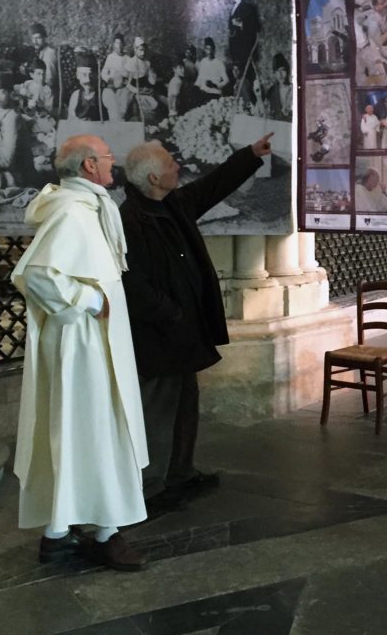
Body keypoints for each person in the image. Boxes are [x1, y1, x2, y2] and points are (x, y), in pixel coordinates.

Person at [11, 134, 149, 571]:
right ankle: (104, 531)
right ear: (90, 165)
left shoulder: (86, 205)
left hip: (91, 341)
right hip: (83, 343)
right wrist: (90, 302)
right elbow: (36, 275)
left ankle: (59, 534)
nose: (114, 163)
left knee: (83, 430)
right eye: (109, 157)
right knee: (92, 428)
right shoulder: (73, 210)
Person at [119, 132, 273, 514]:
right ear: (154, 178)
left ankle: (181, 473)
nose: (178, 167)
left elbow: (213, 185)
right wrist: (169, 312)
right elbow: (131, 283)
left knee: (187, 403)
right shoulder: (130, 220)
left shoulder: (174, 204)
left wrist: (249, 155)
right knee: (158, 410)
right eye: (171, 164)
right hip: (157, 335)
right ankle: (150, 488)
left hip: (184, 332)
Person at [0, 87, 37, 189]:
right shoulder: (0, 112)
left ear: (11, 94)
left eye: (2, 91)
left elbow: (7, 161)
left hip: (18, 178)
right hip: (6, 170)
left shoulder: (12, 118)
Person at [228, 0, 260, 71]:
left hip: (244, 48)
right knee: (238, 75)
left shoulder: (248, 7)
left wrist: (240, 24)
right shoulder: (232, 8)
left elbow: (256, 27)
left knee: (247, 74)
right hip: (235, 49)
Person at [67, 52, 102, 120]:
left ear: (96, 75)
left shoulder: (105, 95)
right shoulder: (75, 96)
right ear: (77, 75)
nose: (88, 80)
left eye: (91, 75)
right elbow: (70, 124)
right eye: (84, 75)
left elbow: (116, 125)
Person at [29, 22, 59, 91]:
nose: (35, 42)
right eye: (33, 38)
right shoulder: (41, 51)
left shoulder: (49, 53)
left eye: (38, 38)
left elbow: (50, 80)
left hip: (49, 92)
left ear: (45, 38)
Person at [265, 52, 293, 121]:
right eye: (277, 71)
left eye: (283, 70)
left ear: (287, 71)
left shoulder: (293, 89)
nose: (280, 74)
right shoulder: (271, 91)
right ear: (274, 73)